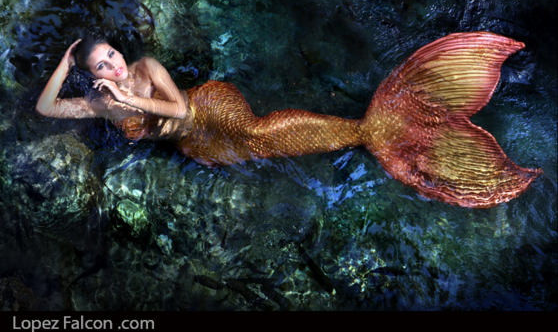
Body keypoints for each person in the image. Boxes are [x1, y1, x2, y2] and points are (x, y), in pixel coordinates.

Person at [36, 30, 543, 208]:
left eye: (113, 55)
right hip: (198, 146)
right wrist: (62, 69)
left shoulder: (146, 69)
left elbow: (179, 109)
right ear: (92, 74)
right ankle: (376, 134)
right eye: (102, 64)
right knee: (258, 154)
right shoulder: (101, 103)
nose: (116, 65)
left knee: (256, 133)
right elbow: (46, 109)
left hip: (211, 108)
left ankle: (374, 131)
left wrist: (135, 102)